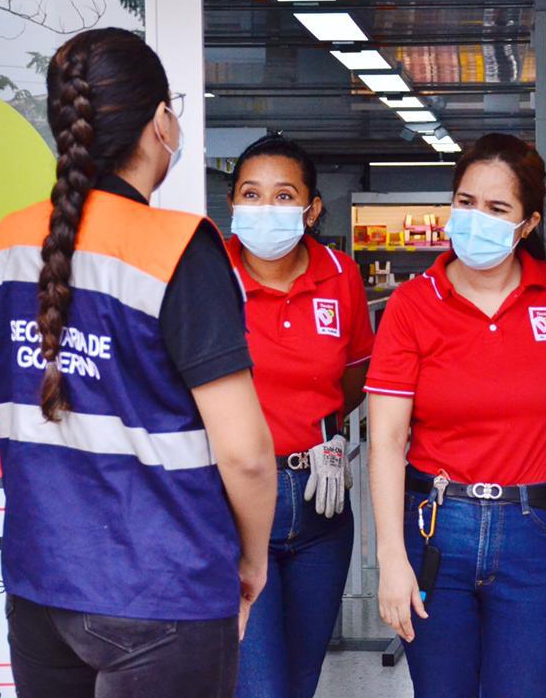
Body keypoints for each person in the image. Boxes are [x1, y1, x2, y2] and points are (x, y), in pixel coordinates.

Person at [0, 27, 276, 698]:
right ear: (158, 123)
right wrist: (252, 560)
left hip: (41, 583)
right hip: (161, 588)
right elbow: (246, 454)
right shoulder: (179, 248)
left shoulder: (10, 241)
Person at [367, 133, 546, 698]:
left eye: (496, 208)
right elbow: (386, 439)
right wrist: (391, 558)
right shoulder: (414, 304)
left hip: (534, 532)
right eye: (465, 202)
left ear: (528, 224)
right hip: (438, 527)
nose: (475, 218)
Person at [225, 134, 374, 698]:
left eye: (284, 196)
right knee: (259, 687)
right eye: (251, 193)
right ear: (234, 203)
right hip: (233, 506)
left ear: (311, 209)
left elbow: (356, 377)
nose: (266, 208)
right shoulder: (210, 271)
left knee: (301, 681)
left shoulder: (341, 275)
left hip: (319, 504)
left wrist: (326, 429)